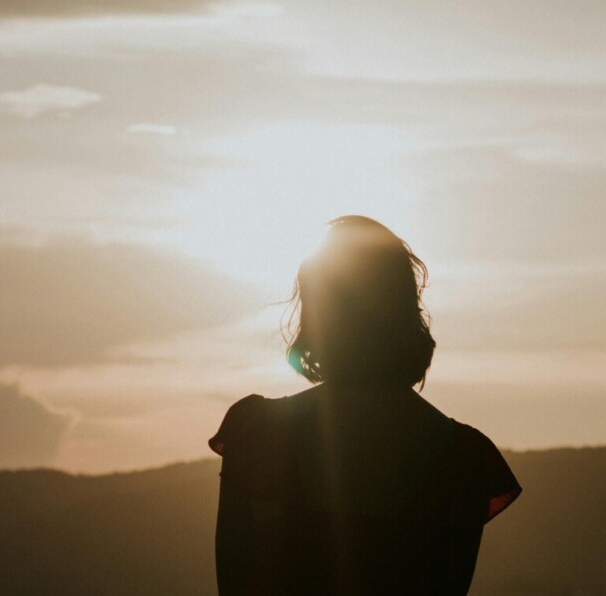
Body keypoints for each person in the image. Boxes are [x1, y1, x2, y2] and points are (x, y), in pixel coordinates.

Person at [209, 215, 521, 595]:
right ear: (405, 309)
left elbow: (235, 583)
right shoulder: (464, 460)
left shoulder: (258, 433)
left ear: (317, 313)